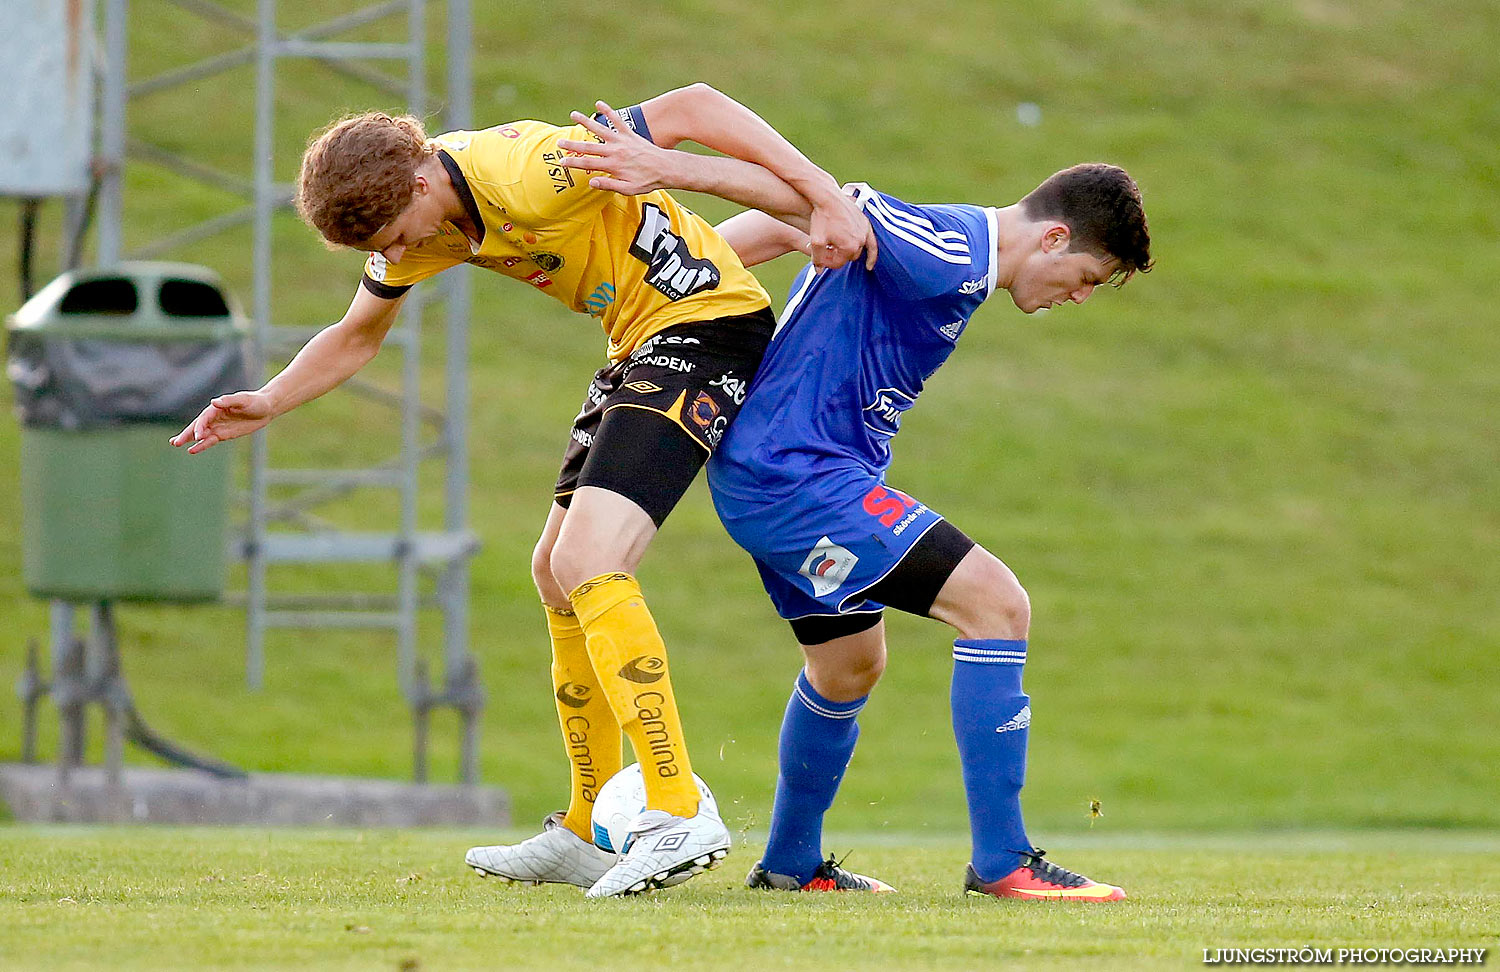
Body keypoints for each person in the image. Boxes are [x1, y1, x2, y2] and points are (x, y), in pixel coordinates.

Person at [169, 84, 874, 897]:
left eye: (399, 234)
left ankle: (678, 808)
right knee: (553, 571)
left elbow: (696, 105)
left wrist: (825, 196)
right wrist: (268, 400)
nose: (400, 253)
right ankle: (583, 828)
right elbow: (357, 333)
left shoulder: (534, 169)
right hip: (638, 343)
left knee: (590, 559)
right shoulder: (422, 229)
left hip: (706, 330)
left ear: (421, 183)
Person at [556, 110, 1153, 899]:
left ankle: (790, 865)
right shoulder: (953, 254)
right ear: (1052, 239)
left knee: (846, 667)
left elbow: (795, 223)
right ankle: (1004, 862)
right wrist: (665, 169)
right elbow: (817, 203)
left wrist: (694, 274)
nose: (1077, 297)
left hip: (784, 481)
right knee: (998, 606)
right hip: (798, 481)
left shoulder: (953, 255)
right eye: (1085, 278)